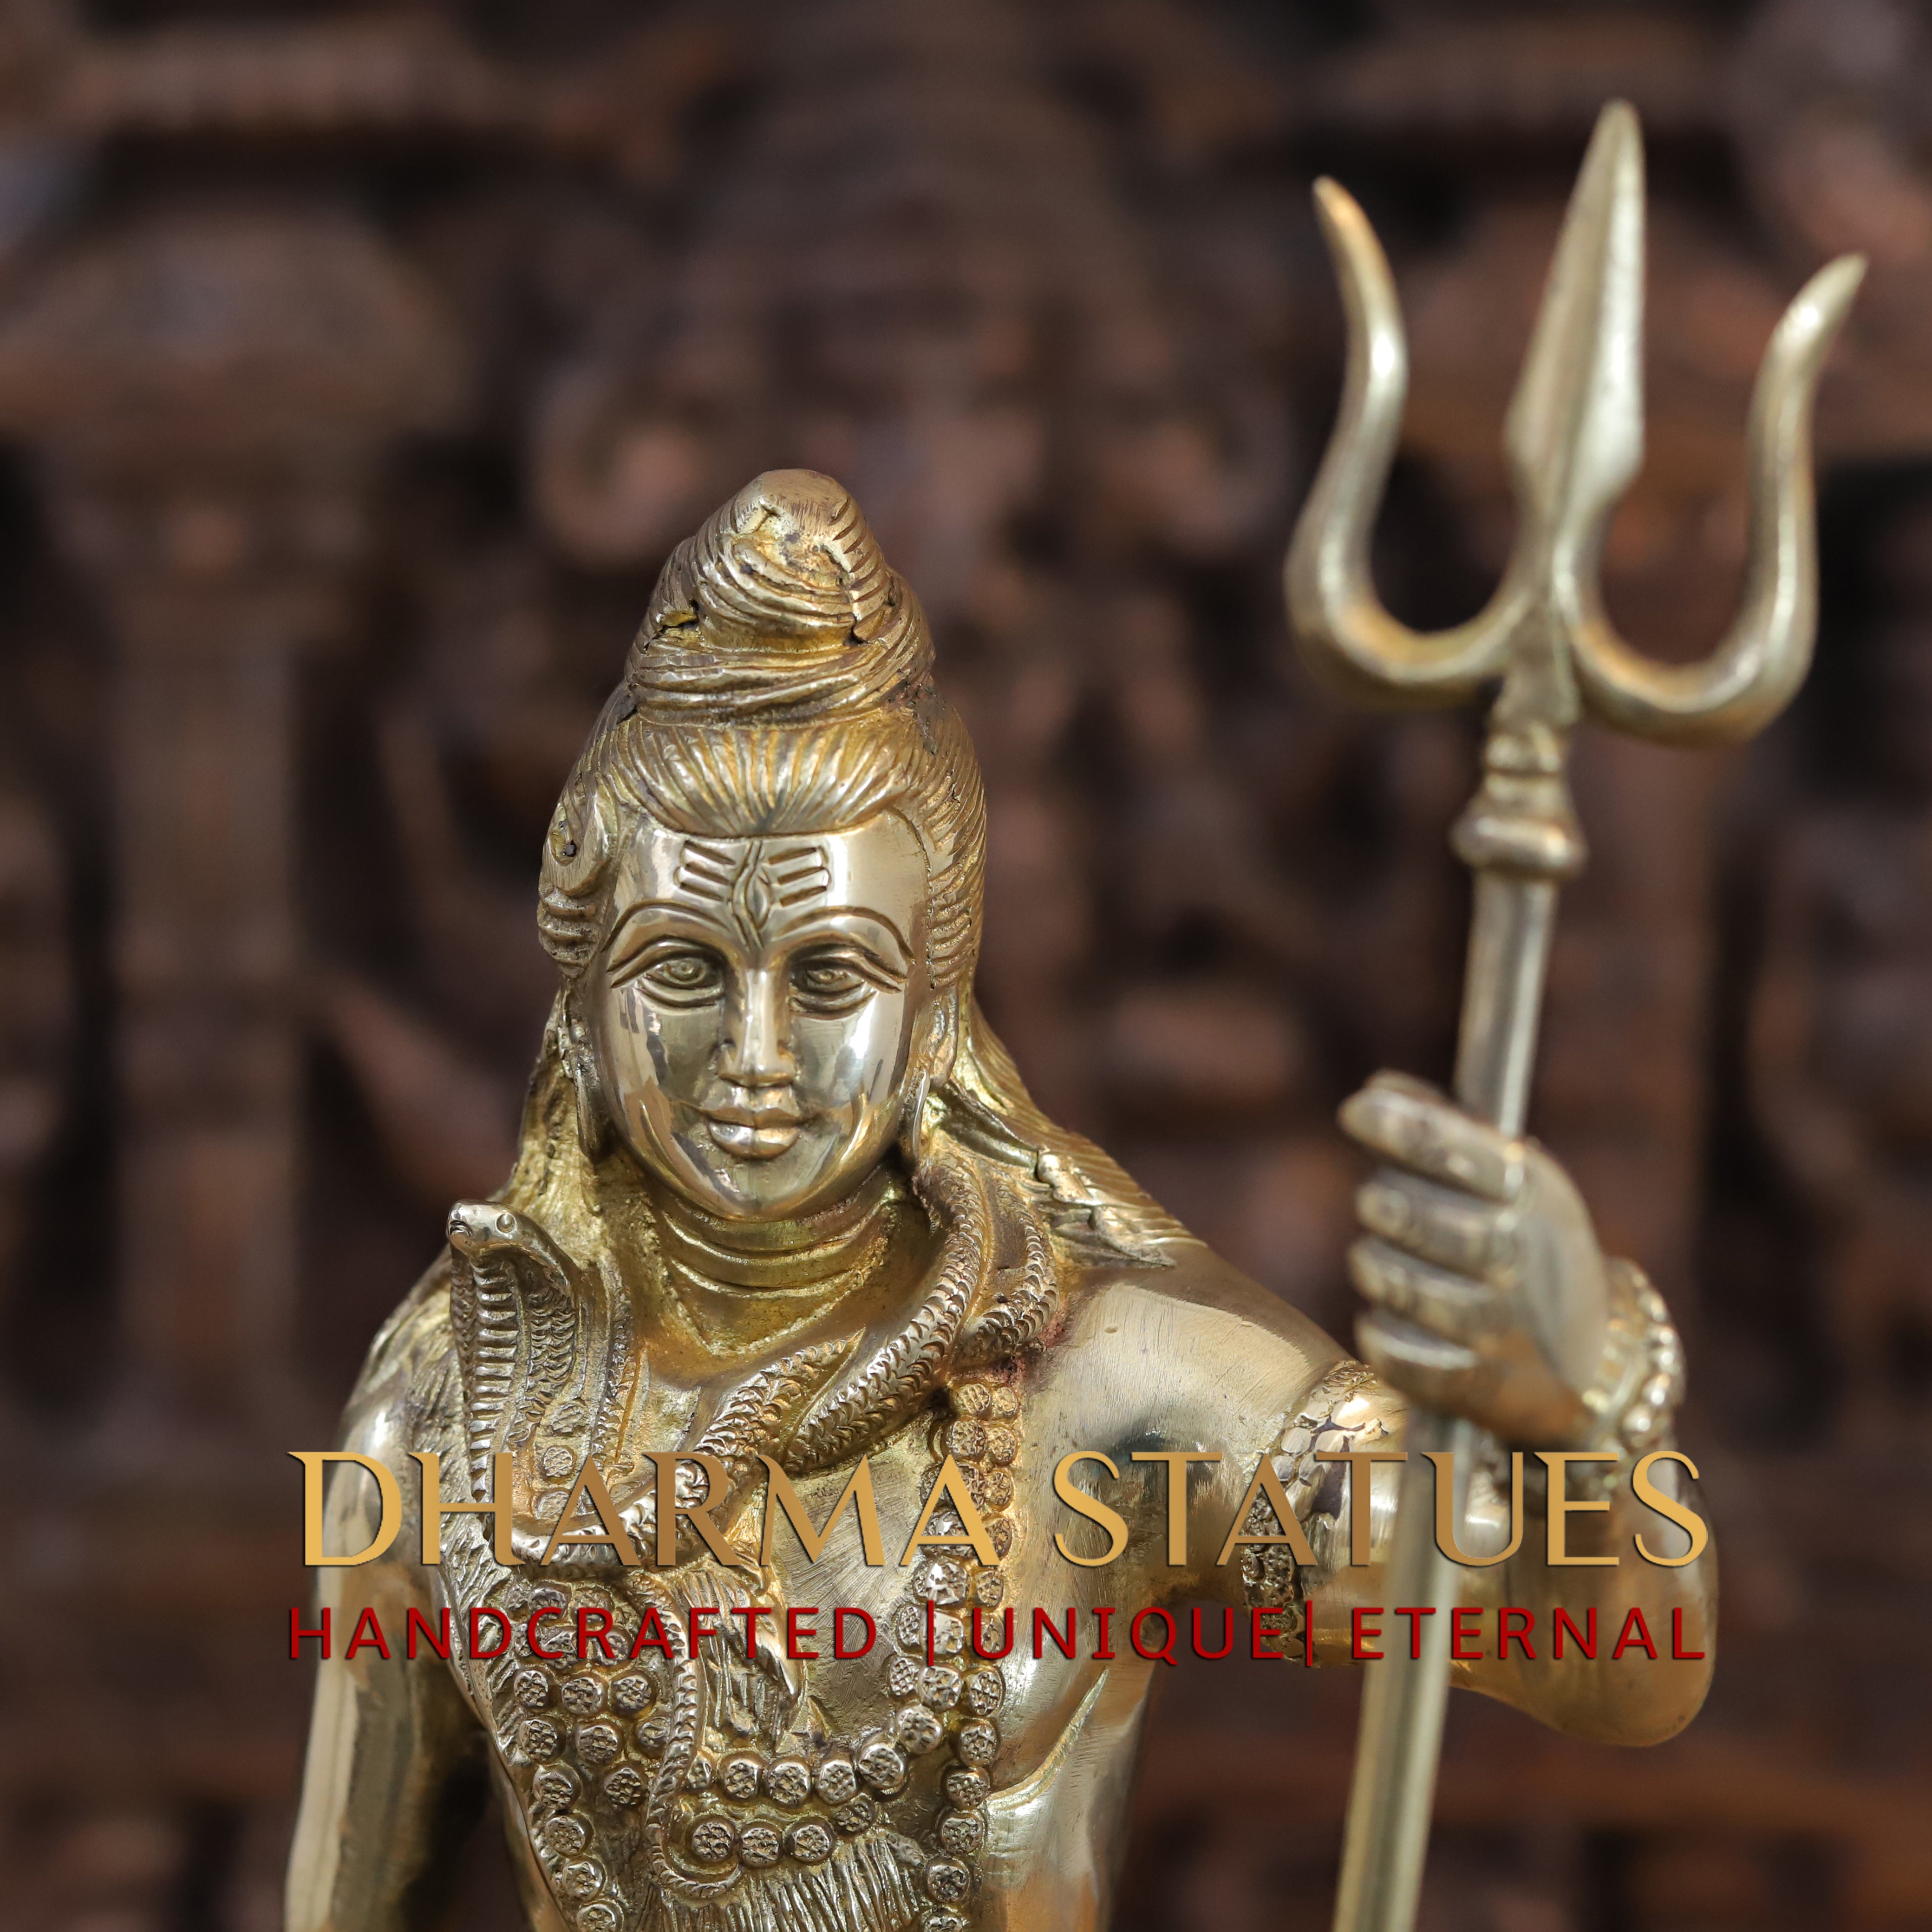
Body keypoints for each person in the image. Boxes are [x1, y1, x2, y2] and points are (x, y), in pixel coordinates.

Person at [286, 470, 1713, 1932]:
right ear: (586, 998)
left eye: (830, 976)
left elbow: (1618, 1670)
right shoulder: (454, 1399)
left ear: (934, 1009)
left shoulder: (1106, 1379)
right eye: (684, 969)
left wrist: (1580, 1413)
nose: (754, 1057)